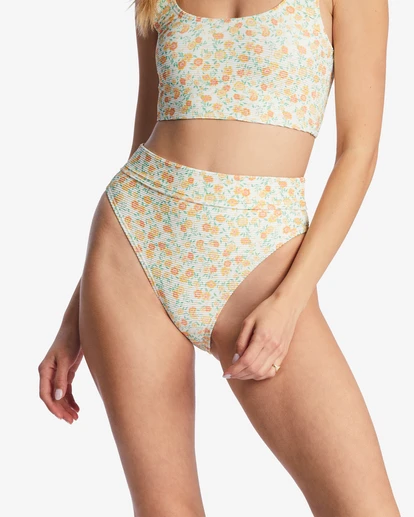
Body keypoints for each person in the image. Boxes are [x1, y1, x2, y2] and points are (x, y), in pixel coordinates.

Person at [38, 0, 400, 515]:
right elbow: (145, 131)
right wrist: (75, 316)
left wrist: (289, 302)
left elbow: (359, 151)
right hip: (133, 248)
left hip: (262, 265)